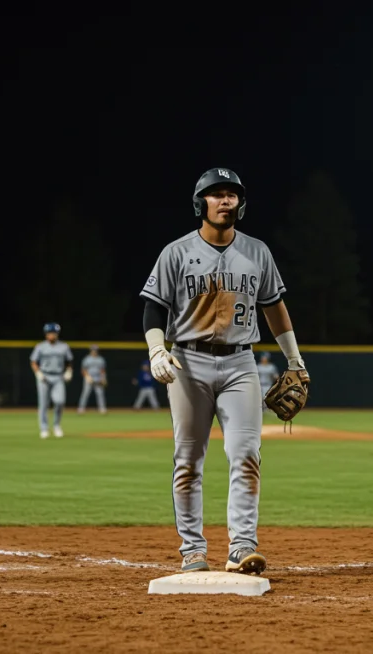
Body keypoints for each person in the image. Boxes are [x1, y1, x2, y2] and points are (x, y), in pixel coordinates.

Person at [139, 167, 307, 576]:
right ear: (202, 203)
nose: (226, 199)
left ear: (240, 203)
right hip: (188, 363)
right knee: (188, 460)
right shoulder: (176, 252)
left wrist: (295, 361)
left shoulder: (257, 252)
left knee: (246, 453)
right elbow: (154, 307)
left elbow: (275, 309)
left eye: (232, 193)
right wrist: (157, 350)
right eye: (217, 194)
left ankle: (242, 547)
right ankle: (192, 550)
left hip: (240, 363)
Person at [30, 323, 73, 438]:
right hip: (44, 376)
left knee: (60, 401)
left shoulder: (64, 346)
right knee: (43, 404)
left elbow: (69, 361)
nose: (51, 335)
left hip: (58, 376)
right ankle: (44, 428)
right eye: (49, 333)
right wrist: (38, 372)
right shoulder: (40, 346)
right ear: (46, 334)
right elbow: (33, 361)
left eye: (53, 333)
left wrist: (69, 371)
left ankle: (56, 425)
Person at [77, 345, 108, 414]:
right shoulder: (87, 359)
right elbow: (83, 369)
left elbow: (102, 370)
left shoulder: (100, 359)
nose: (94, 351)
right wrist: (87, 377)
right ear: (91, 350)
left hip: (98, 378)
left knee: (100, 393)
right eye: (93, 350)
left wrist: (103, 378)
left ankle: (102, 409)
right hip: (89, 377)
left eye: (96, 350)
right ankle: (81, 408)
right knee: (85, 393)